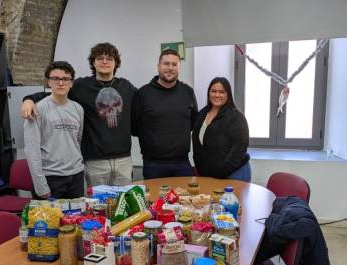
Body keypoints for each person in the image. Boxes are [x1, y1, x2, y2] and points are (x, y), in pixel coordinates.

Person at [21, 43, 137, 187]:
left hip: (123, 160)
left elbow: (144, 102)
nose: (105, 62)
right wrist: (29, 99)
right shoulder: (81, 86)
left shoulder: (126, 87)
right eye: (100, 58)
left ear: (116, 63)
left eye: (110, 58)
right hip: (94, 162)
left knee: (123, 205)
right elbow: (56, 91)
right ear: (93, 62)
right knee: (98, 206)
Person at [133, 49, 198, 179]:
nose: (170, 68)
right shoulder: (143, 93)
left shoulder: (188, 92)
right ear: (158, 66)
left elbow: (193, 123)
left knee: (185, 199)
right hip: (153, 164)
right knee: (155, 199)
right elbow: (134, 127)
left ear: (179, 67)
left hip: (182, 163)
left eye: (174, 64)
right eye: (166, 64)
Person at [24, 61, 85, 199]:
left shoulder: (78, 109)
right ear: (48, 82)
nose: (61, 83)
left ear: (71, 83)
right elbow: (31, 150)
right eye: (55, 79)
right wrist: (40, 185)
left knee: (77, 219)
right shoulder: (37, 109)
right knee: (51, 220)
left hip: (76, 177)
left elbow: (77, 141)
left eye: (65, 79)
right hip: (51, 178)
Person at [192, 77, 251, 181]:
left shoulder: (237, 117)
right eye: (213, 91)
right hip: (209, 175)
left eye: (221, 92)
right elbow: (197, 146)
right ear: (208, 93)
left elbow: (238, 150)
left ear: (228, 94)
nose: (217, 95)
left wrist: (219, 173)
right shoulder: (201, 114)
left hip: (235, 173)